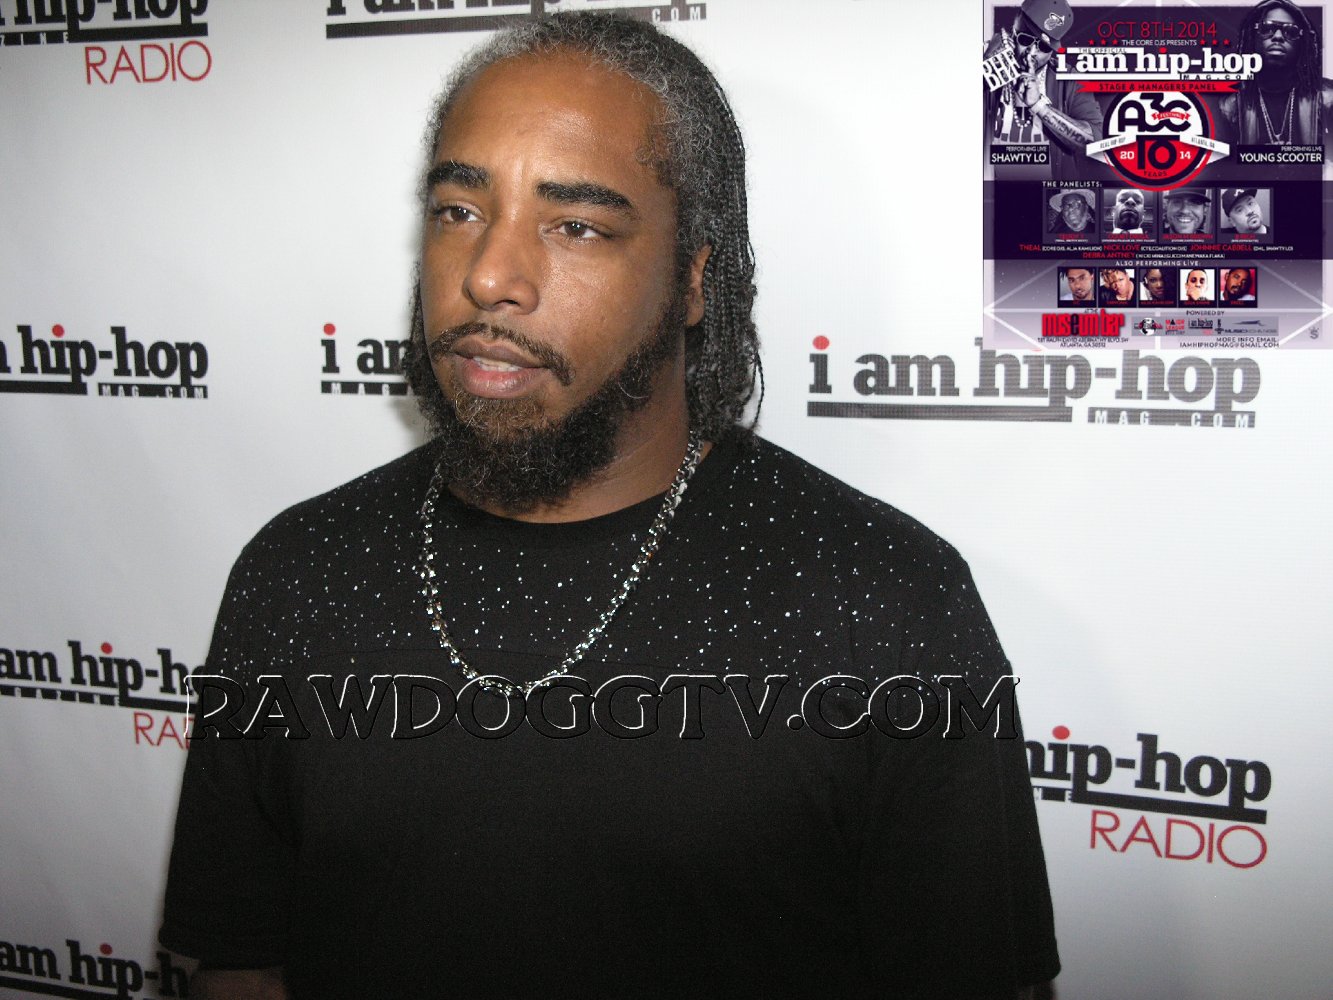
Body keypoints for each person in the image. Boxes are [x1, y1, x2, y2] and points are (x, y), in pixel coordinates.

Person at [159, 12, 1060, 1000]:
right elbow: (238, 964)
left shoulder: (886, 602)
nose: (488, 276)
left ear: (691, 280)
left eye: (576, 226)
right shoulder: (297, 570)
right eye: (458, 210)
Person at [985, 0, 1104, 178]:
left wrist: (1039, 106)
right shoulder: (984, 59)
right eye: (1025, 39)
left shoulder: (1069, 79)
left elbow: (1096, 143)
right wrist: (986, 68)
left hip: (1048, 191)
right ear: (1013, 29)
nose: (1032, 53)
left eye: (1043, 47)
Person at [1220, 0, 1332, 146]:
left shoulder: (1328, 98)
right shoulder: (1229, 105)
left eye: (1290, 31)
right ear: (1252, 38)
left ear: (1302, 43)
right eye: (1266, 28)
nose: (1278, 36)